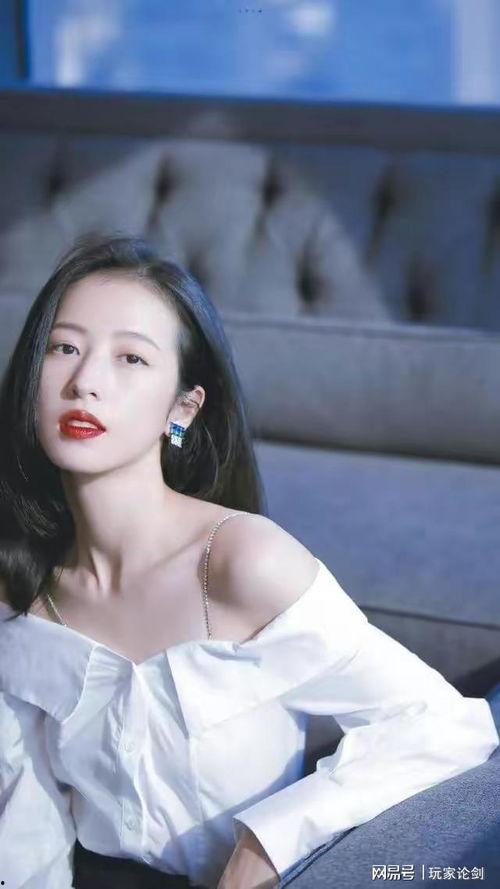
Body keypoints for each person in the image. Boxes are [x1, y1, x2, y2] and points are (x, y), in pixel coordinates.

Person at [0, 234, 498, 889]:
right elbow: (26, 824)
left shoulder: (241, 564)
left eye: (131, 357)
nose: (85, 382)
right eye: (65, 348)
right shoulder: (23, 590)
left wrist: (268, 841)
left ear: (182, 408)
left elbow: (445, 724)